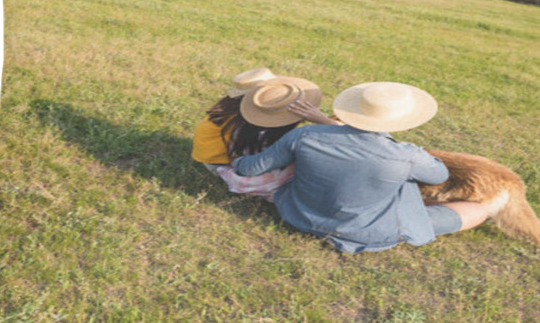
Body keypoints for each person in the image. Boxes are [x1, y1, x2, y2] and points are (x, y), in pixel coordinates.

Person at [231, 81, 489, 253]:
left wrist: (233, 157)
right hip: (371, 232)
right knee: (478, 210)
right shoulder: (407, 155)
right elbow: (438, 175)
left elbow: (249, 168)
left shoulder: (305, 135)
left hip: (299, 216)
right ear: (403, 119)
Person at [191, 68, 334, 200]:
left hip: (222, 157)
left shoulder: (232, 108)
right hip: (221, 164)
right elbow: (257, 162)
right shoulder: (252, 126)